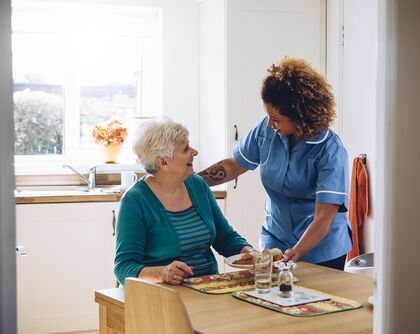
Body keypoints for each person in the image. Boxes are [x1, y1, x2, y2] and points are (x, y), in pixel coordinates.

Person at [199, 57, 351, 270]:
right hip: (276, 240)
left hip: (321, 250)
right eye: (268, 116)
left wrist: (296, 252)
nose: (270, 123)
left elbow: (324, 217)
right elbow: (234, 165)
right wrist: (193, 181)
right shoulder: (266, 129)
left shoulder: (330, 150)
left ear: (300, 116)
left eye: (277, 119)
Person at [114, 119, 253, 285]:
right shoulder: (135, 200)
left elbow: (225, 238)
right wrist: (163, 273)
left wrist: (251, 253)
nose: (194, 152)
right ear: (163, 162)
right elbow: (124, 267)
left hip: (207, 288)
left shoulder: (197, 184)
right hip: (162, 295)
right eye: (186, 149)